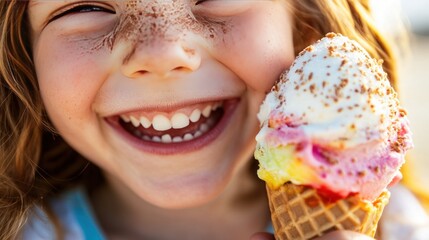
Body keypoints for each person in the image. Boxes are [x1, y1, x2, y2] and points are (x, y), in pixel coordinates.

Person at [0, 0, 425, 239]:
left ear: (306, 24)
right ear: (24, 56)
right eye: (86, 4)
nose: (160, 53)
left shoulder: (401, 229)